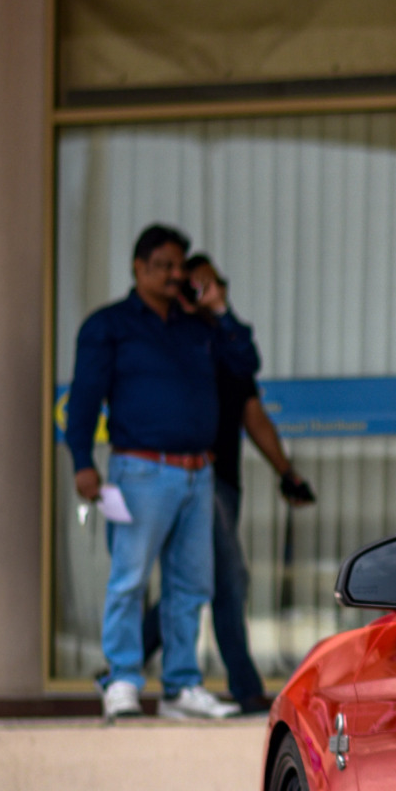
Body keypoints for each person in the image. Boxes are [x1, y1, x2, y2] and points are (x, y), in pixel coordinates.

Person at [64, 224, 259, 722]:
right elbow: (84, 398)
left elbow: (245, 367)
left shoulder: (199, 328)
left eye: (180, 266)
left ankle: (180, 686)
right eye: (165, 266)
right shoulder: (108, 326)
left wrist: (218, 309)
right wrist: (82, 461)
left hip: (199, 475)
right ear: (139, 267)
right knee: (129, 579)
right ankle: (123, 680)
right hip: (140, 471)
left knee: (191, 586)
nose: (176, 275)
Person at [140, 253, 315, 714]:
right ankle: (244, 685)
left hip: (223, 482)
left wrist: (286, 472)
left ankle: (127, 661)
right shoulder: (174, 337)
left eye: (207, 284)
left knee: (197, 575)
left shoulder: (222, 341)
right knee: (229, 575)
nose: (196, 291)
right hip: (192, 475)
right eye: (188, 285)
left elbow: (252, 411)